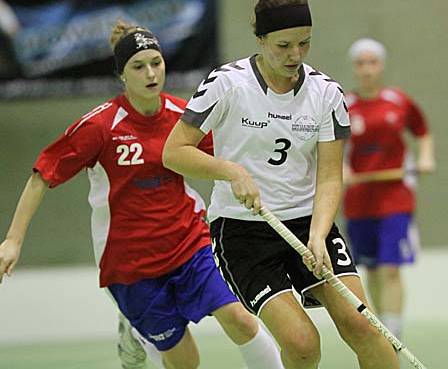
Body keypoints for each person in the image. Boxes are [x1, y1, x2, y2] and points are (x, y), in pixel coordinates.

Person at [0, 21, 284, 369]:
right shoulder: (101, 126)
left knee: (240, 319)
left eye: (156, 62)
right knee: (186, 362)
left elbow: (228, 159)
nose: (151, 73)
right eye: (138, 66)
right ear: (121, 74)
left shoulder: (183, 117)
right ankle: (138, 333)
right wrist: (13, 241)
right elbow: (42, 175)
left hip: (189, 243)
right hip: (131, 265)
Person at [163, 0, 400, 369]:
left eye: (304, 43)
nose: (296, 55)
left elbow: (329, 177)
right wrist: (230, 171)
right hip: (243, 232)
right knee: (302, 344)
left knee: (364, 326)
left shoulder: (326, 93)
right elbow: (174, 152)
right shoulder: (227, 84)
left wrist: (319, 234)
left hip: (308, 225)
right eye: (283, 45)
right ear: (260, 40)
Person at [343, 38, 436, 341]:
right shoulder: (344, 106)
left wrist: (425, 157)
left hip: (395, 198)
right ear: (354, 68)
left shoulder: (399, 101)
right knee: (370, 269)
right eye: (361, 64)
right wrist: (342, 170)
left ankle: (394, 332)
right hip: (359, 200)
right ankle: (381, 327)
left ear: (381, 66)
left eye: (373, 63)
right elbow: (331, 147)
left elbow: (422, 131)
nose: (367, 69)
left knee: (390, 268)